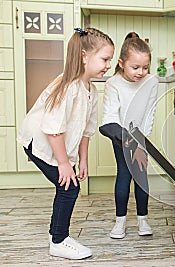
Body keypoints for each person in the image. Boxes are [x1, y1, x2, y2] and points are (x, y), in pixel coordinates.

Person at [16, 27, 114, 259]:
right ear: (84, 56)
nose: (108, 65)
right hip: (38, 140)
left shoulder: (91, 90)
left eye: (110, 60)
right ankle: (58, 240)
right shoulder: (68, 86)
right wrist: (63, 164)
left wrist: (82, 161)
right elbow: (53, 130)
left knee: (68, 184)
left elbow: (85, 131)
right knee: (68, 186)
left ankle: (57, 237)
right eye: (105, 59)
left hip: (54, 140)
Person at [101, 34, 158, 239]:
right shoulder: (113, 84)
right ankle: (120, 222)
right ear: (121, 63)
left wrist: (142, 140)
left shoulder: (151, 81)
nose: (141, 72)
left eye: (145, 67)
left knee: (141, 177)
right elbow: (110, 117)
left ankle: (143, 220)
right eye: (135, 67)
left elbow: (150, 112)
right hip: (120, 135)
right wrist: (126, 140)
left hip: (140, 137)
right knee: (124, 175)